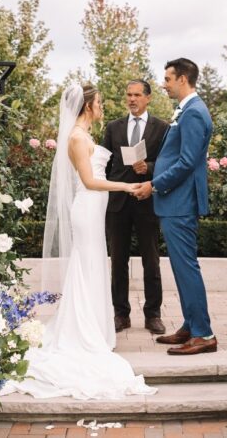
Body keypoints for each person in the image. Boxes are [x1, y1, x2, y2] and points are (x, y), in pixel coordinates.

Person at [4, 84, 155, 399]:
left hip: (94, 209)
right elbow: (89, 181)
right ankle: (83, 330)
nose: (102, 106)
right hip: (86, 208)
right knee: (87, 267)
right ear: (87, 106)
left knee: (94, 265)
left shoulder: (84, 135)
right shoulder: (75, 137)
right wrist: (126, 187)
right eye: (99, 102)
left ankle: (96, 327)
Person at [133, 58, 215, 356]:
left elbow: (187, 161)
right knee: (181, 268)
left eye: (168, 79)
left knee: (186, 267)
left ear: (182, 79)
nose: (164, 84)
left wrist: (154, 185)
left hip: (180, 202)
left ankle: (203, 334)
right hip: (174, 202)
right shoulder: (187, 110)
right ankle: (191, 325)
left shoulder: (194, 112)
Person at [102, 80, 169, 335]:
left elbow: (167, 162)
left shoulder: (162, 127)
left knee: (151, 261)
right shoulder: (113, 127)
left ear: (148, 98)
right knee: (118, 261)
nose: (132, 99)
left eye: (137, 95)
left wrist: (148, 168)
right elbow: (105, 165)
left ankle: (153, 315)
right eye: (129, 95)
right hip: (118, 203)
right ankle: (121, 314)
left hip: (147, 201)